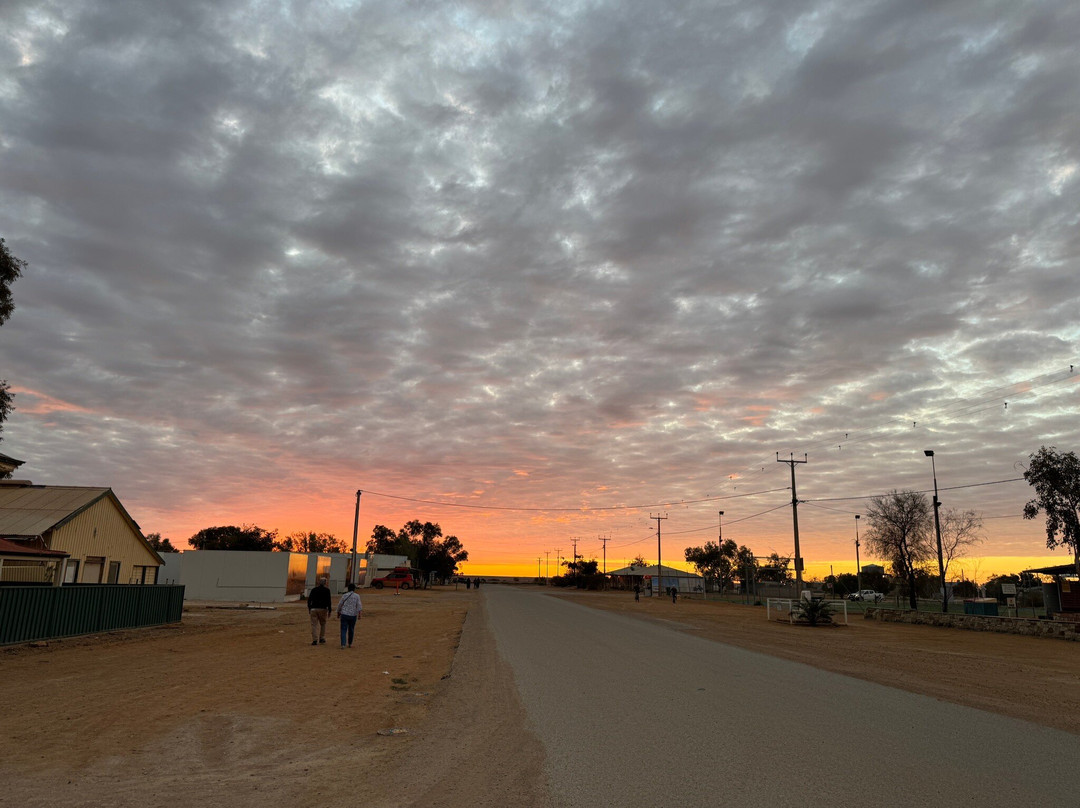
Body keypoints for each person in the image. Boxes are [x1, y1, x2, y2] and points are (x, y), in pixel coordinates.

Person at [336, 583, 363, 649]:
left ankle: (343, 644)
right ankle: (350, 643)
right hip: (353, 614)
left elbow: (340, 604)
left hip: (344, 613)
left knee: (343, 629)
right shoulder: (357, 596)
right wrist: (359, 614)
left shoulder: (344, 595)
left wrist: (338, 612)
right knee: (351, 629)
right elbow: (359, 605)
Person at [308, 577, 332, 646]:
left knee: (314, 625)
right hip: (323, 609)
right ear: (325, 583)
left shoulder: (314, 590)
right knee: (323, 624)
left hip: (313, 608)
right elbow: (329, 601)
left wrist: (309, 608)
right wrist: (329, 610)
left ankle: (314, 640)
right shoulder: (327, 590)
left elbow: (309, 600)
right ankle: (321, 638)